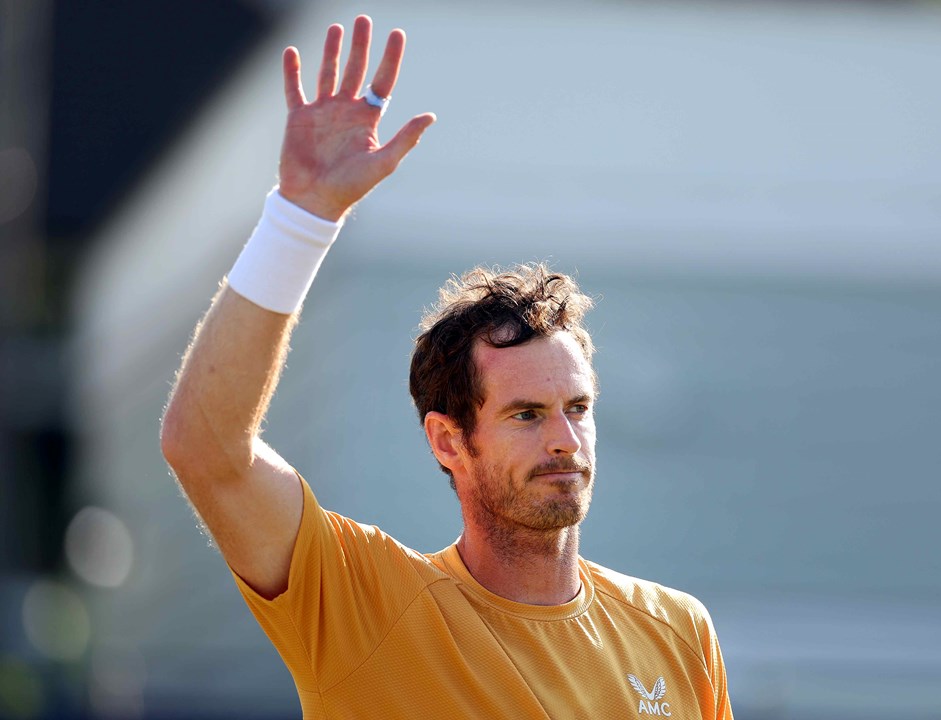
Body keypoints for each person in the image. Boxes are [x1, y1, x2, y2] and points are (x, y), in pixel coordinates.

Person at [161, 15, 733, 719]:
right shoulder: (364, 605)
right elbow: (206, 450)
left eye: (577, 409)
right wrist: (301, 218)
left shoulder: (679, 631)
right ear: (447, 441)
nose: (565, 440)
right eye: (525, 414)